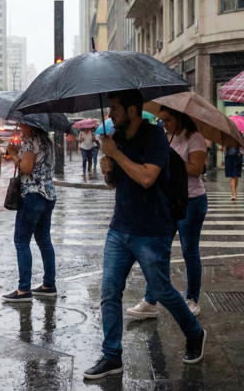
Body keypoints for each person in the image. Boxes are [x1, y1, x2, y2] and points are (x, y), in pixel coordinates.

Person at [84, 90, 205, 380]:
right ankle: (111, 355)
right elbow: (115, 184)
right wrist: (107, 169)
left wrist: (115, 154)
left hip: (152, 229)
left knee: (161, 291)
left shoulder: (155, 137)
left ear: (132, 110)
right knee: (109, 291)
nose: (110, 115)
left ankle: (194, 332)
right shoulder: (117, 138)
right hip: (120, 227)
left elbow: (148, 178)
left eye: (115, 109)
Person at [127, 106, 208, 319]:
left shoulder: (195, 138)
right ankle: (150, 300)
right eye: (162, 120)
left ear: (180, 119)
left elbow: (196, 169)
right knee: (159, 249)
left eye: (168, 120)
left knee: (189, 251)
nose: (164, 124)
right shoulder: (164, 138)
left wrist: (170, 159)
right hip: (168, 201)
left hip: (192, 200)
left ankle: (192, 299)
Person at [3, 123, 58, 303]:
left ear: (30, 123)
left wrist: (13, 154)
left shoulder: (30, 141)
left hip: (32, 196)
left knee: (21, 241)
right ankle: (49, 285)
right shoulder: (46, 140)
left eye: (22, 124)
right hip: (48, 195)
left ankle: (23, 289)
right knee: (44, 241)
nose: (20, 127)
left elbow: (26, 168)